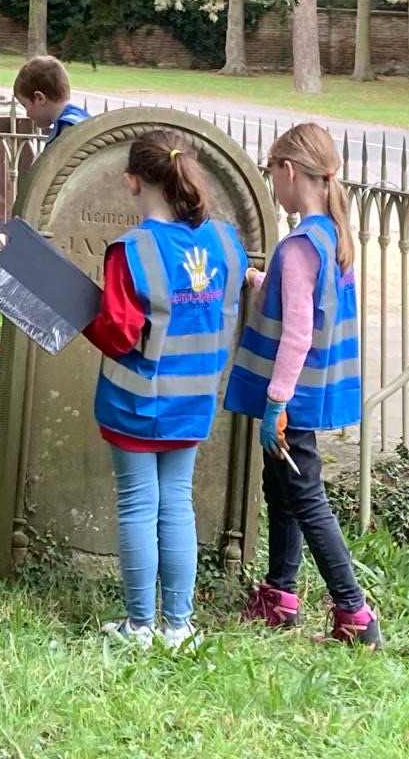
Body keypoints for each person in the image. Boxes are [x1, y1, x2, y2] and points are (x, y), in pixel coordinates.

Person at [84, 130, 247, 648]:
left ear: (132, 181)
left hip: (136, 399)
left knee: (137, 504)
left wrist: (80, 312)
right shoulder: (226, 242)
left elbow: (118, 333)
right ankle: (178, 625)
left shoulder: (131, 250)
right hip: (195, 398)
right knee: (177, 503)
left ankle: (139, 624)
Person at [224, 123, 382, 649]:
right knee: (282, 489)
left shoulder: (297, 246)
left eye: (273, 173)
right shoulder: (330, 235)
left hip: (290, 397)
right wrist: (256, 280)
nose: (273, 184)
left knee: (306, 497)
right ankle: (280, 595)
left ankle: (355, 615)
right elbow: (304, 301)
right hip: (314, 389)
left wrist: (276, 404)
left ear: (289, 171)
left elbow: (296, 332)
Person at [13, 55, 90, 144]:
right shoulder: (83, 119)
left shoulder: (68, 130)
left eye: (25, 105)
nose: (27, 115)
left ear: (40, 98)